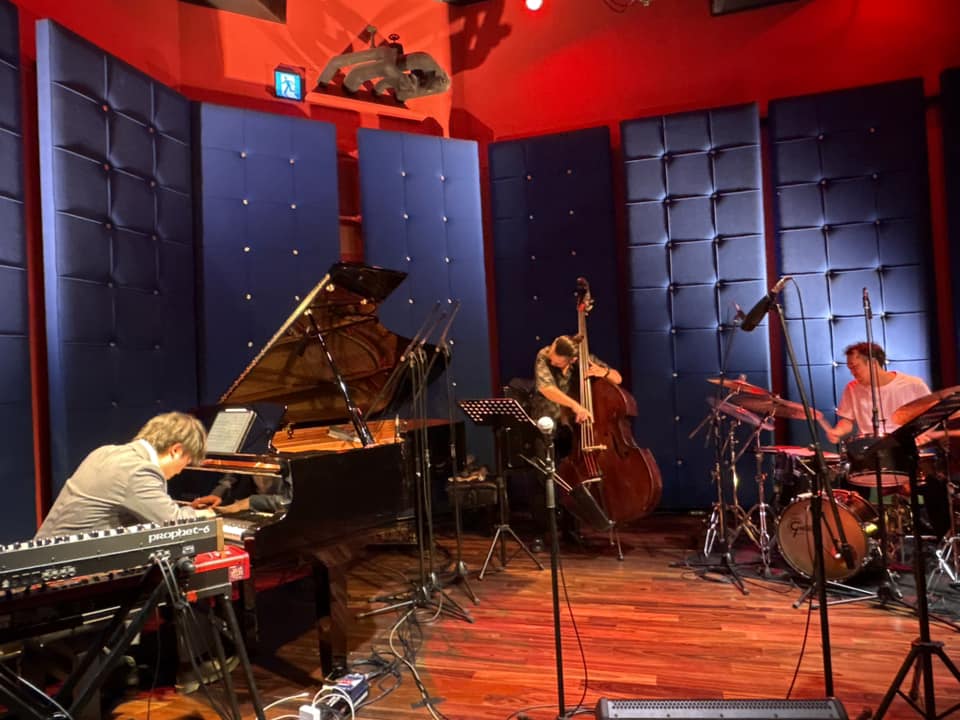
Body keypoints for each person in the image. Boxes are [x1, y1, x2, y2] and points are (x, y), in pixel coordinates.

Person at [36, 412, 215, 539]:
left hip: (42, 557)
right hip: (70, 572)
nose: (181, 470)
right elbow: (175, 522)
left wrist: (185, 509)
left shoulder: (104, 452)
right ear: (176, 450)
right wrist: (203, 513)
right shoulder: (139, 470)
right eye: (187, 461)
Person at [818, 341, 930, 443]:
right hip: (869, 447)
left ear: (873, 363)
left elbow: (930, 415)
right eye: (850, 369)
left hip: (904, 445)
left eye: (855, 367)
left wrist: (921, 433)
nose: (852, 373)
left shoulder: (913, 384)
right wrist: (838, 431)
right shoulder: (852, 388)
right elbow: (848, 420)